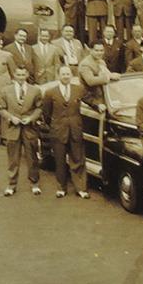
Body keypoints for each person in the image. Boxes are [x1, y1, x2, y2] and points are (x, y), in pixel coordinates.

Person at [41, 66, 89, 199]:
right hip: (58, 130)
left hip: (75, 129)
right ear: (58, 75)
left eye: (68, 74)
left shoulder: (78, 89)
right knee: (60, 160)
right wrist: (55, 125)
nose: (66, 76)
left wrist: (99, 105)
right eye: (63, 74)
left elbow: (89, 100)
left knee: (78, 159)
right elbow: (46, 113)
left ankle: (81, 188)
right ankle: (61, 188)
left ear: (71, 75)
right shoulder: (50, 93)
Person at [0, 65, 43, 197]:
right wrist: (11, 118)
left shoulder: (35, 90)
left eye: (23, 75)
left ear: (27, 75)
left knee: (32, 157)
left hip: (29, 129)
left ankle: (34, 183)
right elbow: (1, 108)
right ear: (14, 75)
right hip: (13, 129)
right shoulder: (6, 90)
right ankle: (11, 185)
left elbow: (39, 108)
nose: (21, 78)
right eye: (18, 75)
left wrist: (31, 118)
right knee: (13, 159)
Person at [78, 41, 120, 109]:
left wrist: (111, 74)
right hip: (91, 99)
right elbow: (90, 81)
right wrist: (109, 76)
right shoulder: (85, 64)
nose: (100, 53)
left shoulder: (101, 61)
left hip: (105, 96)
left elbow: (106, 73)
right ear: (90, 50)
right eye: (96, 50)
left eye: (101, 50)